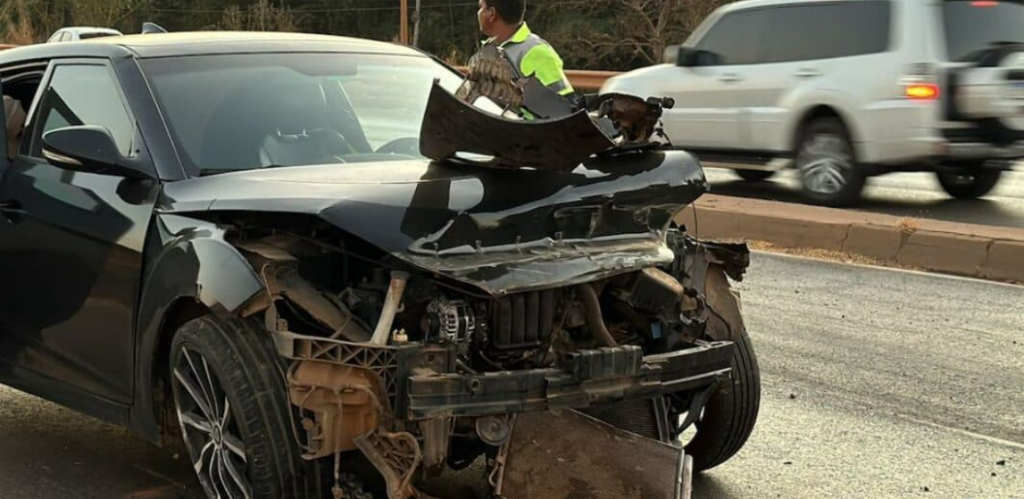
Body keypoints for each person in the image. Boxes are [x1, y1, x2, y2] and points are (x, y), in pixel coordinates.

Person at [475, 0, 574, 98]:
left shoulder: (537, 52)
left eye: (481, 7)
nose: (478, 13)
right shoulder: (489, 47)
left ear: (492, 13)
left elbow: (564, 108)